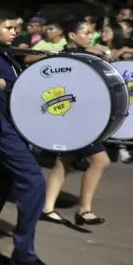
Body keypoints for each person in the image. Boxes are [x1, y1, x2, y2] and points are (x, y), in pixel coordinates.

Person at [0, 9, 58, 265]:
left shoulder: (10, 57)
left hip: (12, 126)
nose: (14, 32)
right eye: (8, 27)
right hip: (0, 128)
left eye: (16, 28)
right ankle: (23, 253)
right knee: (34, 182)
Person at [41, 19, 112, 226]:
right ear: (72, 35)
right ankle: (84, 210)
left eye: (91, 33)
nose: (90, 36)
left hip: (74, 117)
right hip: (76, 120)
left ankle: (47, 207)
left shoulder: (78, 56)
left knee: (64, 159)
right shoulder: (70, 59)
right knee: (100, 161)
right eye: (86, 33)